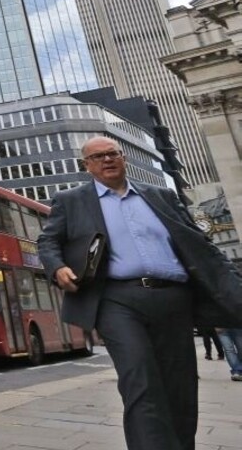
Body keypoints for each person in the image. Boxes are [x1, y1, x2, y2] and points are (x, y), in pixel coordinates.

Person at [37, 137, 198, 450]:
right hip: (116, 299)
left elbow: (194, 242)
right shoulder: (71, 200)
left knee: (179, 386)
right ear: (86, 166)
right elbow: (48, 242)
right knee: (140, 379)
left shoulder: (161, 196)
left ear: (124, 157)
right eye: (97, 157)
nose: (106, 160)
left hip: (173, 298)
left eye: (112, 154)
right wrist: (57, 268)